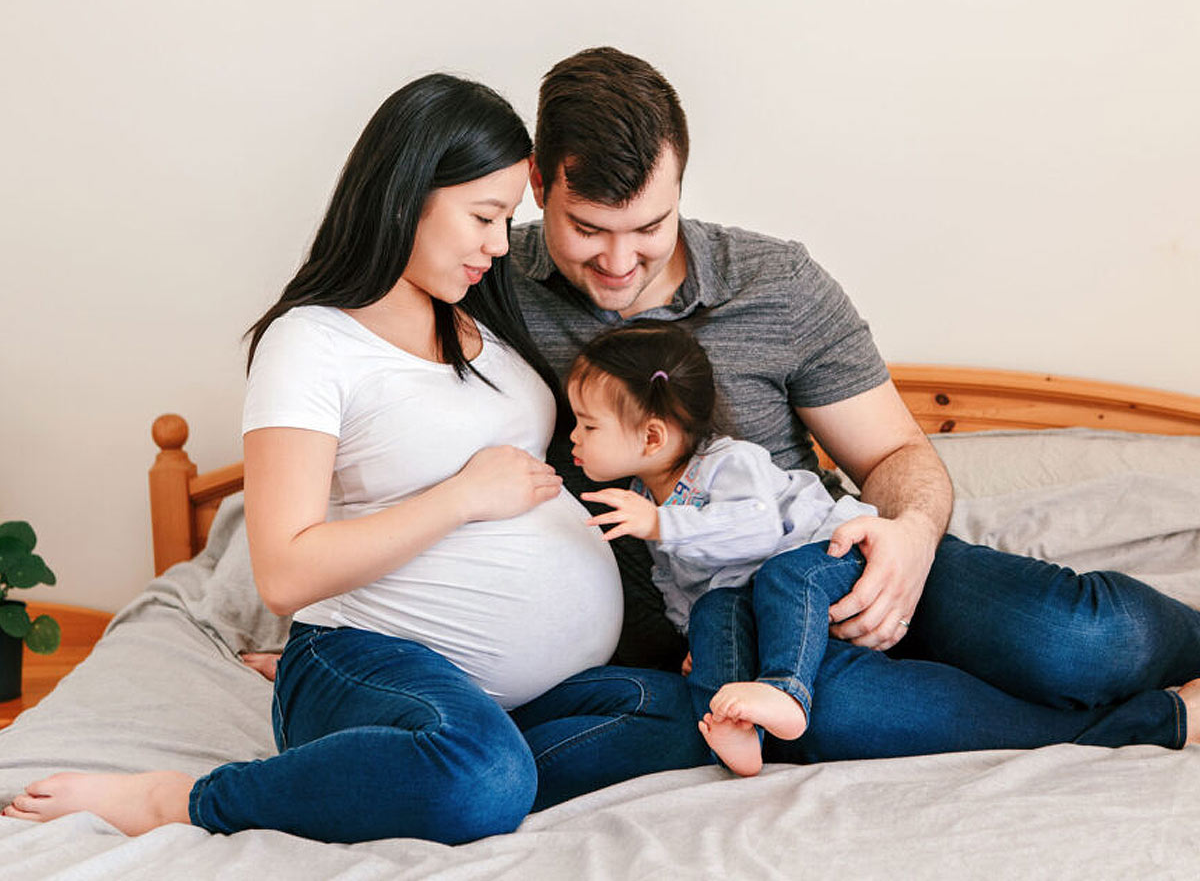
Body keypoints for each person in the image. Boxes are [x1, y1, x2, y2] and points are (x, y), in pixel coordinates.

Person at [0, 74, 711, 844]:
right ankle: (188, 799)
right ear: (408, 194)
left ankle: (405, 766)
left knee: (683, 714)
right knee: (482, 777)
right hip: (365, 654)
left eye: (509, 218)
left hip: (486, 694)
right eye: (483, 216)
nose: (501, 244)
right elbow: (284, 569)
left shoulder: (480, 325)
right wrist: (464, 497)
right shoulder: (312, 342)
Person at [507, 46, 1200, 761]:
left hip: (836, 556)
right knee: (824, 720)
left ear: (681, 185)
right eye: (588, 229)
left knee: (1077, 643)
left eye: (650, 228)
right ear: (534, 182)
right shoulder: (489, 292)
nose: (619, 262)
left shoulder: (777, 284)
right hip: (739, 630)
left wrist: (910, 540)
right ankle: (1156, 722)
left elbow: (896, 452)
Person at [567, 321, 877, 775]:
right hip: (757, 594)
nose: (573, 436)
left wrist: (659, 523)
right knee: (716, 611)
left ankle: (786, 691)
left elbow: (757, 531)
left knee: (783, 578)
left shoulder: (729, 461)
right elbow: (675, 580)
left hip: (829, 554)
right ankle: (737, 737)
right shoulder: (647, 494)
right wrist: (693, 634)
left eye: (588, 425)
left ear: (652, 437)